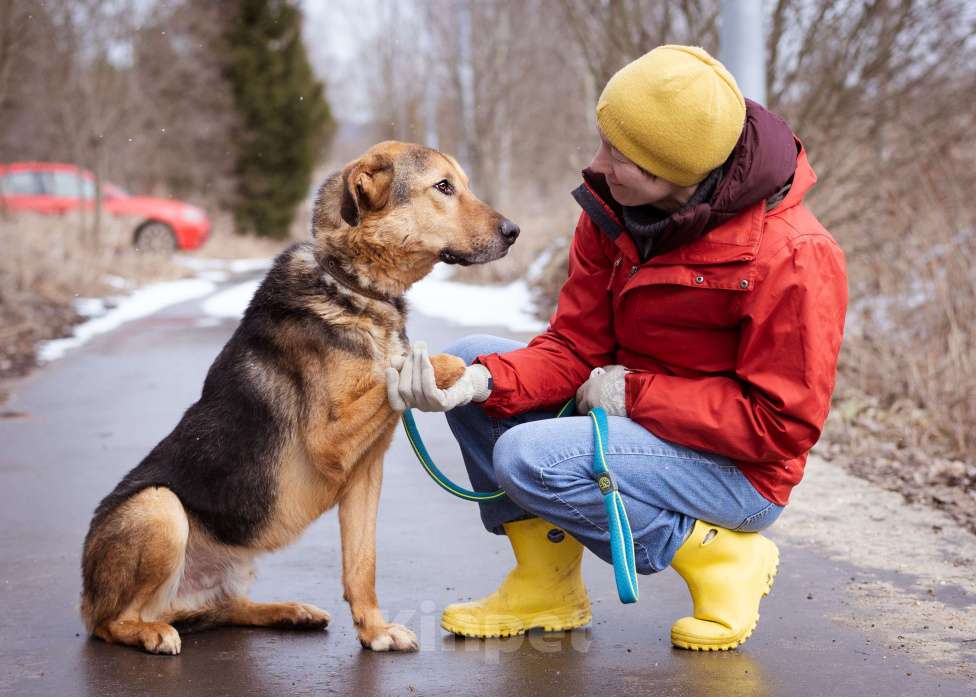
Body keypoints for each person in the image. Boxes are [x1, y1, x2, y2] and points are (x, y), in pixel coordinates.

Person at [385, 44, 847, 651]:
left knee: (530, 457)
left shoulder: (793, 255)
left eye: (618, 155)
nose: (596, 164)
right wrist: (481, 382)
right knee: (474, 355)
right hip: (634, 425)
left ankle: (717, 556)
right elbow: (575, 346)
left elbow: (780, 427)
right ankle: (546, 584)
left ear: (670, 174)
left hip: (738, 474)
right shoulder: (613, 211)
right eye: (602, 140)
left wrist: (635, 394)